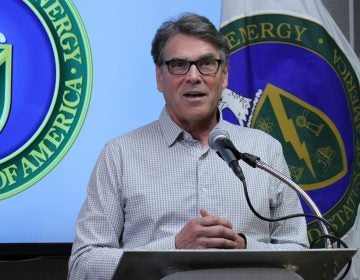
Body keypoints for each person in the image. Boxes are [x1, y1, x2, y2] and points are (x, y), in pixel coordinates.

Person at [68, 13, 309, 280]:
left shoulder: (265, 149)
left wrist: (243, 246)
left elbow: (298, 253)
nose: (193, 76)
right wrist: (173, 247)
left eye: (206, 63)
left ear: (224, 75)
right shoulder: (120, 155)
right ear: (159, 78)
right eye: (179, 65)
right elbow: (82, 265)